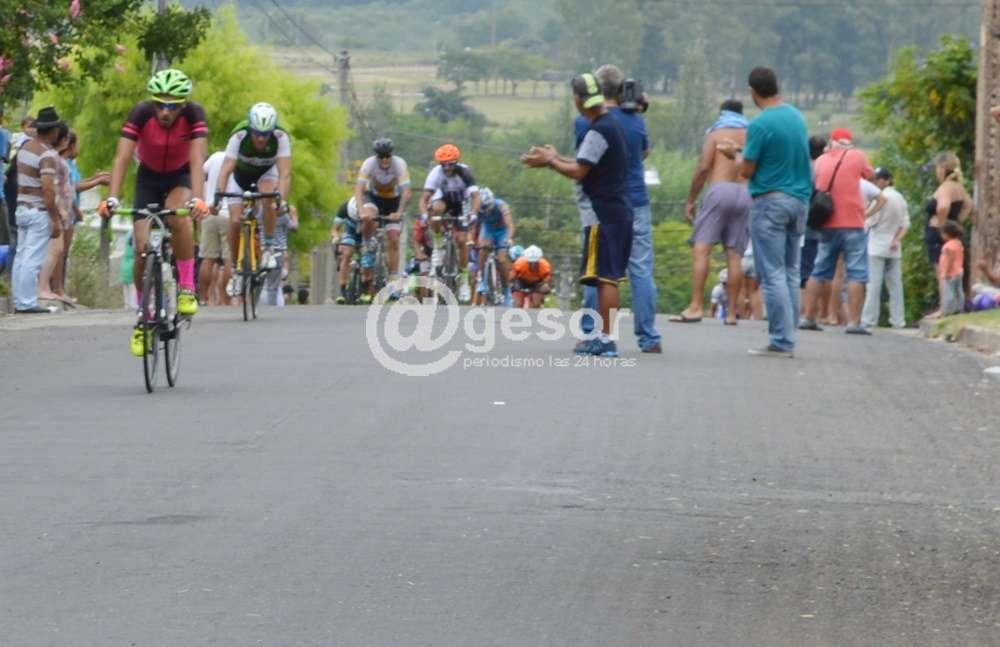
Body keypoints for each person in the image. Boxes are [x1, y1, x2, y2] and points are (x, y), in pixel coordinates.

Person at [98, 68, 209, 356]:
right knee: (141, 248)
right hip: (147, 178)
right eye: (160, 104)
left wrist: (198, 199)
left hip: (180, 176)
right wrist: (112, 198)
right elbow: (122, 158)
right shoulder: (140, 112)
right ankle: (143, 317)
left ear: (183, 104)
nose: (165, 112)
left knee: (176, 215)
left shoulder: (194, 114)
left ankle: (186, 286)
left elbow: (197, 159)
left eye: (172, 106)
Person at [522, 73, 633, 357]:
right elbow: (585, 162)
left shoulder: (598, 130)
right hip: (618, 211)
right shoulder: (609, 124)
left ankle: (605, 340)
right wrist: (554, 158)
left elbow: (579, 171)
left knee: (606, 278)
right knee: (606, 277)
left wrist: (551, 162)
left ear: (578, 100)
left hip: (603, 214)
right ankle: (603, 337)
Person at [717, 67, 812, 358]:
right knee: (791, 271)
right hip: (799, 201)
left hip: (770, 202)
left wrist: (733, 153)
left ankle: (781, 340)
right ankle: (789, 333)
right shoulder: (795, 116)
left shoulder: (760, 124)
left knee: (771, 274)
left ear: (752, 91)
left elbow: (747, 170)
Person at [573, 64, 662, 352]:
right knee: (641, 269)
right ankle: (648, 337)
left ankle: (592, 332)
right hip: (637, 199)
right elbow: (645, 151)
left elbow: (583, 160)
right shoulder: (636, 120)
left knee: (597, 269)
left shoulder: (587, 121)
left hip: (605, 202)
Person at [677, 99, 751, 326]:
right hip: (746, 194)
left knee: (702, 249)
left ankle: (696, 306)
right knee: (735, 255)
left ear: (722, 113)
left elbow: (703, 168)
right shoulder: (751, 134)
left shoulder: (716, 132)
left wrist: (691, 200)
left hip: (719, 191)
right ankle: (731, 314)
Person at [798, 128, 878, 335]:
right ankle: (853, 323)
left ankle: (808, 318)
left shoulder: (820, 161)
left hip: (827, 223)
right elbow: (870, 175)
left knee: (819, 271)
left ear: (831, 143)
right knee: (857, 273)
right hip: (853, 223)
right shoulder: (857, 156)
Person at [217, 103, 292, 297]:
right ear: (250, 128)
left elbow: (285, 173)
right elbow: (226, 168)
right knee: (235, 221)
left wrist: (281, 200)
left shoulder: (280, 137)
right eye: (257, 133)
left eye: (265, 134)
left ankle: (268, 247)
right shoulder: (239, 135)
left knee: (269, 199)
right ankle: (236, 269)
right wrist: (218, 195)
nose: (260, 138)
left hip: (266, 174)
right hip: (239, 177)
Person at [11, 107, 64, 314]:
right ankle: (27, 303)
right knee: (32, 259)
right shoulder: (47, 154)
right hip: (38, 211)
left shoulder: (25, 148)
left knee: (21, 257)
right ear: (53, 130)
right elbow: (48, 190)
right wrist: (55, 219)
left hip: (22, 208)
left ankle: (19, 300)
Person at [418, 144, 480, 303]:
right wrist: (424, 215)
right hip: (444, 199)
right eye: (443, 165)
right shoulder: (435, 173)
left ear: (456, 162)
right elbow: (424, 199)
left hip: (461, 203)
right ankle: (438, 243)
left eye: (450, 164)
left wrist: (473, 213)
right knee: (435, 209)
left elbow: (475, 196)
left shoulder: (465, 172)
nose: (447, 168)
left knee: (461, 240)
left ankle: (464, 279)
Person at [356, 138, 411, 296]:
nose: (385, 159)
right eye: (381, 156)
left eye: (387, 156)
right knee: (368, 217)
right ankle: (368, 245)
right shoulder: (369, 163)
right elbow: (359, 189)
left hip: (393, 202)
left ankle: (393, 280)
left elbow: (406, 192)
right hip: (374, 199)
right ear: (376, 156)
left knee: (393, 239)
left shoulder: (399, 164)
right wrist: (361, 210)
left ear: (391, 155)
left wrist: (399, 212)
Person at [861, 167, 910, 329]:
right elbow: (905, 224)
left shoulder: (881, 198)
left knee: (873, 285)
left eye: (877, 179)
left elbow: (871, 221)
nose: (875, 182)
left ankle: (869, 320)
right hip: (894, 246)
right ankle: (898, 320)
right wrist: (897, 239)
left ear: (886, 180)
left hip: (876, 244)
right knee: (896, 285)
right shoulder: (900, 197)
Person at [37, 125, 72, 303]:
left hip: (61, 208)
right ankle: (42, 287)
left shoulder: (55, 157)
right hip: (57, 209)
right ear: (63, 139)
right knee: (55, 249)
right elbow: (54, 186)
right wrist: (61, 210)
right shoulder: (53, 158)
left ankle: (46, 287)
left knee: (57, 250)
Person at [924, 152, 971, 268]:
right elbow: (969, 205)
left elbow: (943, 206)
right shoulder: (958, 186)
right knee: (954, 270)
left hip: (938, 235)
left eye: (937, 168)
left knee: (942, 272)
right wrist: (956, 221)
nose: (936, 172)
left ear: (942, 168)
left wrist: (942, 228)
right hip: (952, 234)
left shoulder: (946, 187)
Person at [198, 150, 232, 306]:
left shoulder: (215, 156)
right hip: (229, 213)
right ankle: (226, 298)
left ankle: (203, 298)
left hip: (210, 211)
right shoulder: (238, 159)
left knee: (207, 258)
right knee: (229, 258)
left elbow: (200, 172)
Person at [474, 187, 515, 302]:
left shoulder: (501, 205)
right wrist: (472, 241)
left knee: (502, 260)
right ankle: (482, 280)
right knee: (483, 250)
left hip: (502, 231)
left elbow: (509, 225)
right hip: (488, 230)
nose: (486, 210)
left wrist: (509, 239)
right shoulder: (477, 208)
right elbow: (473, 227)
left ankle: (506, 291)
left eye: (488, 207)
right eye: (484, 208)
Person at [333, 197, 363, 304]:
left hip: (367, 231)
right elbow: (335, 229)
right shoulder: (344, 208)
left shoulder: (372, 205)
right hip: (351, 232)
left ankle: (367, 287)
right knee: (346, 253)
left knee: (367, 256)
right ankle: (342, 289)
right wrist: (336, 237)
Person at [933, 221, 965, 317]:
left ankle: (948, 310)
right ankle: (959, 308)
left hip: (950, 273)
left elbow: (948, 260)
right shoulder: (958, 243)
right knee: (959, 291)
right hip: (959, 271)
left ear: (946, 234)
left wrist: (944, 272)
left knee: (949, 292)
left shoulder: (948, 246)